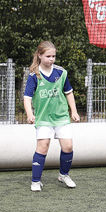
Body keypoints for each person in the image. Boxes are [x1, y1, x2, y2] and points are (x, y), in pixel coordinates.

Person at [24, 40, 80, 192]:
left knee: (68, 147)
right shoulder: (34, 75)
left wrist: (73, 111)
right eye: (48, 56)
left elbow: (69, 92)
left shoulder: (61, 72)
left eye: (53, 56)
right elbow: (27, 97)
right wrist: (30, 114)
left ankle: (64, 175)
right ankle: (36, 181)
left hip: (61, 117)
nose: (51, 59)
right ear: (40, 55)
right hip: (43, 119)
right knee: (43, 147)